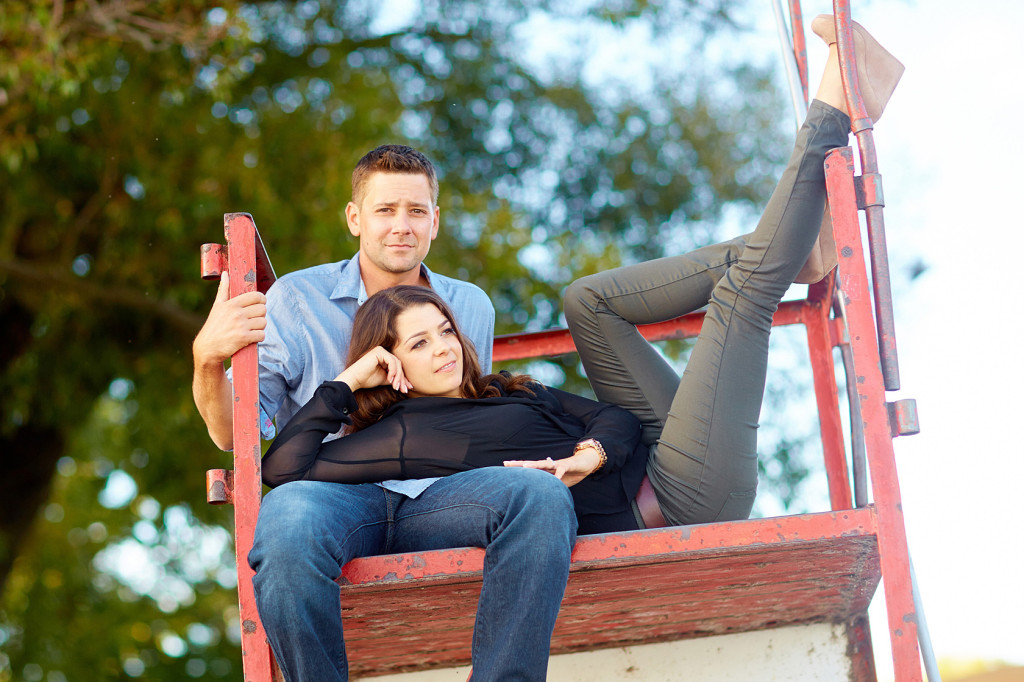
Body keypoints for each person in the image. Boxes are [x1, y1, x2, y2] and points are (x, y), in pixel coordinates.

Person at [255, 16, 903, 534]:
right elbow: (283, 468)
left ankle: (786, 248)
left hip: (648, 455)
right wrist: (346, 383)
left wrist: (589, 454)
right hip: (680, 499)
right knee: (741, 297)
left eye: (444, 330)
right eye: (418, 344)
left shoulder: (502, 391)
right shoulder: (405, 437)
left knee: (586, 300)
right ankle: (836, 106)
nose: (446, 347)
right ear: (390, 366)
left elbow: (614, 420)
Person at [191, 145, 577, 681]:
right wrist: (207, 360)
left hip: (444, 494)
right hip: (333, 493)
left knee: (541, 496)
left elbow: (474, 414)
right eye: (385, 210)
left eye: (416, 211)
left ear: (435, 221)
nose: (402, 226)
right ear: (355, 217)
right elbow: (236, 436)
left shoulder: (469, 306)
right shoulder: (298, 300)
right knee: (286, 522)